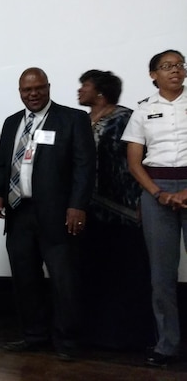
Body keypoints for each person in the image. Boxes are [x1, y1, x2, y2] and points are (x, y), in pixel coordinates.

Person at [0, 67, 95, 361]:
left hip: (59, 212)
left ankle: (68, 342)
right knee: (25, 278)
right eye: (27, 90)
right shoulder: (12, 122)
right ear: (20, 92)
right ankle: (34, 335)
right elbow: (3, 165)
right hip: (19, 211)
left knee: (64, 280)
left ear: (48, 87)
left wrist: (78, 205)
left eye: (38, 88)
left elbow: (84, 167)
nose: (33, 94)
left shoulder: (73, 119)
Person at [76, 69, 152, 349]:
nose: (79, 90)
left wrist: (143, 200)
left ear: (100, 92)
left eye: (84, 85)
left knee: (126, 271)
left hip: (124, 210)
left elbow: (137, 161)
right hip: (89, 210)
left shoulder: (125, 118)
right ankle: (97, 334)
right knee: (93, 270)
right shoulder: (82, 120)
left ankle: (129, 336)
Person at [121, 49, 187, 367]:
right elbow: (134, 162)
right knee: (161, 276)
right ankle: (167, 344)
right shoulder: (143, 111)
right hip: (155, 191)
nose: (175, 70)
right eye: (167, 66)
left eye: (179, 65)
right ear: (153, 75)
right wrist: (159, 194)